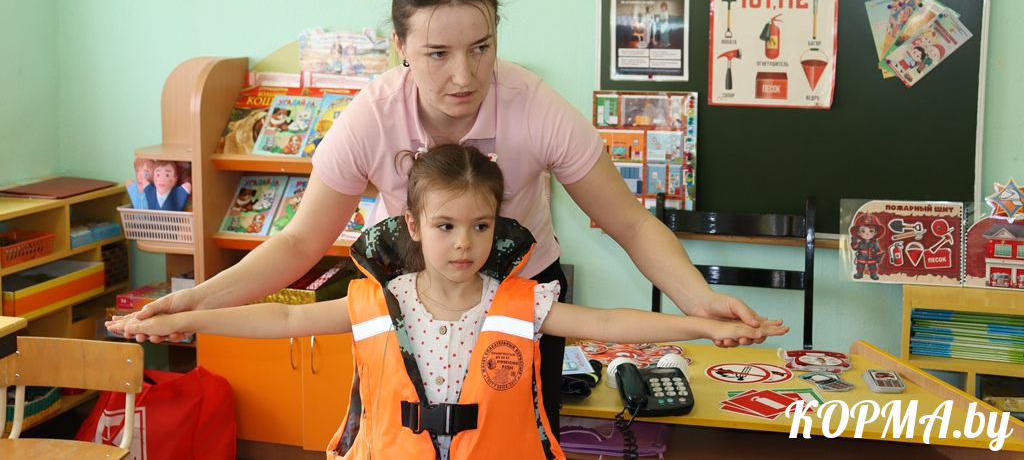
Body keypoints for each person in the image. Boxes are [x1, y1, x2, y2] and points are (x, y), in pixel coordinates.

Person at [133, 0, 785, 432]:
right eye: (438, 53)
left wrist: (701, 302)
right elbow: (301, 242)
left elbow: (632, 224)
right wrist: (191, 300)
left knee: (517, 438)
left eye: (481, 46)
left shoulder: (536, 108)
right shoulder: (372, 117)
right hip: (413, 300)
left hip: (521, 298)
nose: (465, 75)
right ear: (400, 46)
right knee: (401, 434)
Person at [111, 145, 784, 460]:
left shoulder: (522, 301)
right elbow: (283, 316)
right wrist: (183, 315)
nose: (464, 243)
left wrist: (701, 324)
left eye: (480, 226)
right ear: (412, 226)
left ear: (498, 228)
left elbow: (608, 321)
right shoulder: (379, 301)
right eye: (445, 225)